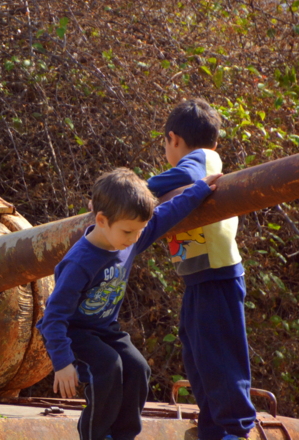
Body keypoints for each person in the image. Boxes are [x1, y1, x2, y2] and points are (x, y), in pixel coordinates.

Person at [37, 167, 220, 440]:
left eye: (140, 231)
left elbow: (167, 214)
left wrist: (199, 190)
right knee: (108, 368)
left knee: (137, 369)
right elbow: (53, 317)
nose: (135, 239)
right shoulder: (79, 262)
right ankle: (96, 436)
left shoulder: (127, 236)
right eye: (128, 232)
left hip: (105, 328)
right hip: (74, 332)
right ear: (101, 220)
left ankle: (123, 436)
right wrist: (62, 362)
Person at [147, 99, 256, 440]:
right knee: (198, 357)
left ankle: (233, 430)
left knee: (220, 360)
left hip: (217, 276)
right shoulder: (205, 155)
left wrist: (135, 193)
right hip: (200, 277)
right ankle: (212, 427)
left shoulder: (203, 159)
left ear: (173, 139)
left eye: (165, 144)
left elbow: (186, 175)